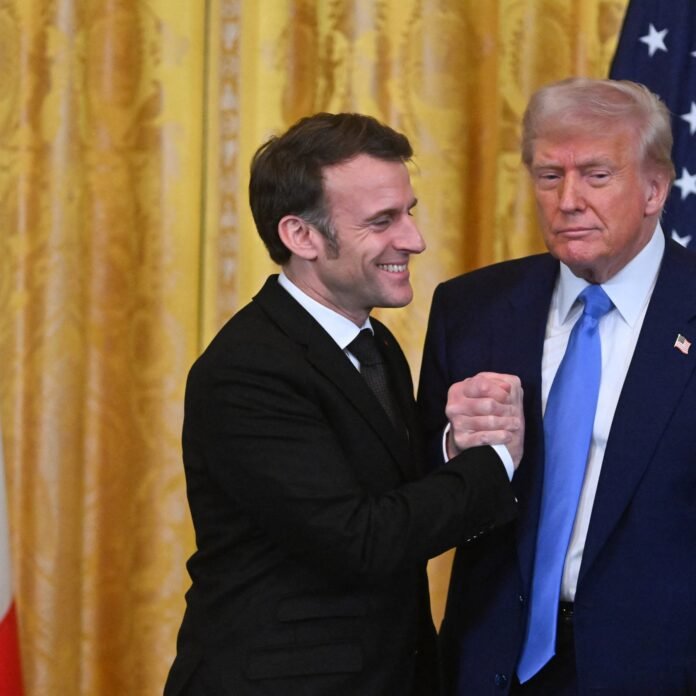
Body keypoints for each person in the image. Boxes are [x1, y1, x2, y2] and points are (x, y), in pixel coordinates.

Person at [164, 112, 523, 696]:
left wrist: (454, 445)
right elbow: (361, 540)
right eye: (382, 221)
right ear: (301, 236)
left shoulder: (375, 344)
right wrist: (496, 460)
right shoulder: (248, 370)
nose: (414, 240)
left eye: (409, 212)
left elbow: (384, 488)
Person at [418, 77, 696, 694]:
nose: (568, 200)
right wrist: (453, 449)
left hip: (658, 672)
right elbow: (414, 500)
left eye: (596, 175)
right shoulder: (471, 308)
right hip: (490, 666)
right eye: (549, 176)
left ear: (655, 189)